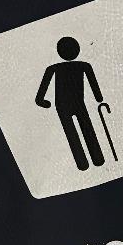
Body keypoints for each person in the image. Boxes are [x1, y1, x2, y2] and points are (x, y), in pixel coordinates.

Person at [35, 37, 107, 171]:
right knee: (86, 129)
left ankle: (83, 164)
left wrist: (44, 103)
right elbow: (95, 88)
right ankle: (97, 159)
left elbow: (39, 98)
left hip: (63, 105)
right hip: (77, 103)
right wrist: (98, 98)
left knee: (72, 133)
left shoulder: (53, 68)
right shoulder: (84, 66)